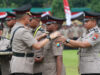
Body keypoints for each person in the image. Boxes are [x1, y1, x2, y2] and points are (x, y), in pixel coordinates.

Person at [10, 4, 60, 75]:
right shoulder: (23, 31)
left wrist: (40, 37)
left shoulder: (15, 28)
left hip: (17, 64)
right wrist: (51, 37)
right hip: (23, 67)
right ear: (24, 17)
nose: (29, 20)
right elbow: (37, 46)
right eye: (29, 18)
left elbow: (28, 41)